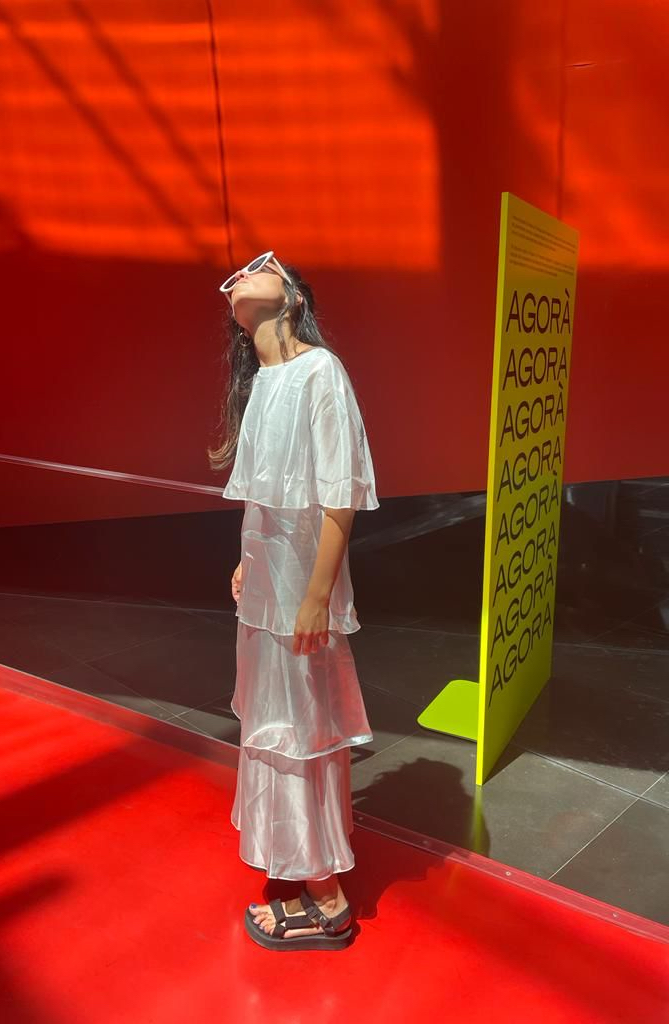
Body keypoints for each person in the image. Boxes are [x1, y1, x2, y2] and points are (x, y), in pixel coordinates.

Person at [207, 250, 380, 951]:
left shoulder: (319, 371)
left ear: (292, 299)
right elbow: (268, 500)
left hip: (300, 593)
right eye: (240, 272)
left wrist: (316, 597)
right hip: (267, 590)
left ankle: (328, 902)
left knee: (300, 730)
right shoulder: (266, 383)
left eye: (263, 267)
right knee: (278, 724)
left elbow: (340, 495)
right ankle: (304, 864)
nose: (244, 273)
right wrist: (247, 562)